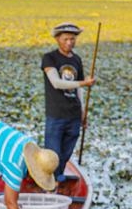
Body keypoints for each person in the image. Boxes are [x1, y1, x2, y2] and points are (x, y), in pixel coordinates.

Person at [41, 22, 97, 182]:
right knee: (53, 154)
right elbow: (57, 83)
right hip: (56, 114)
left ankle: (59, 178)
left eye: (72, 39)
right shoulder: (49, 58)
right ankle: (49, 181)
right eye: (66, 39)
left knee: (66, 153)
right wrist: (83, 83)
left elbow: (79, 89)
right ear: (58, 39)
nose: (69, 43)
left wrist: (83, 113)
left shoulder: (77, 60)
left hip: (73, 114)